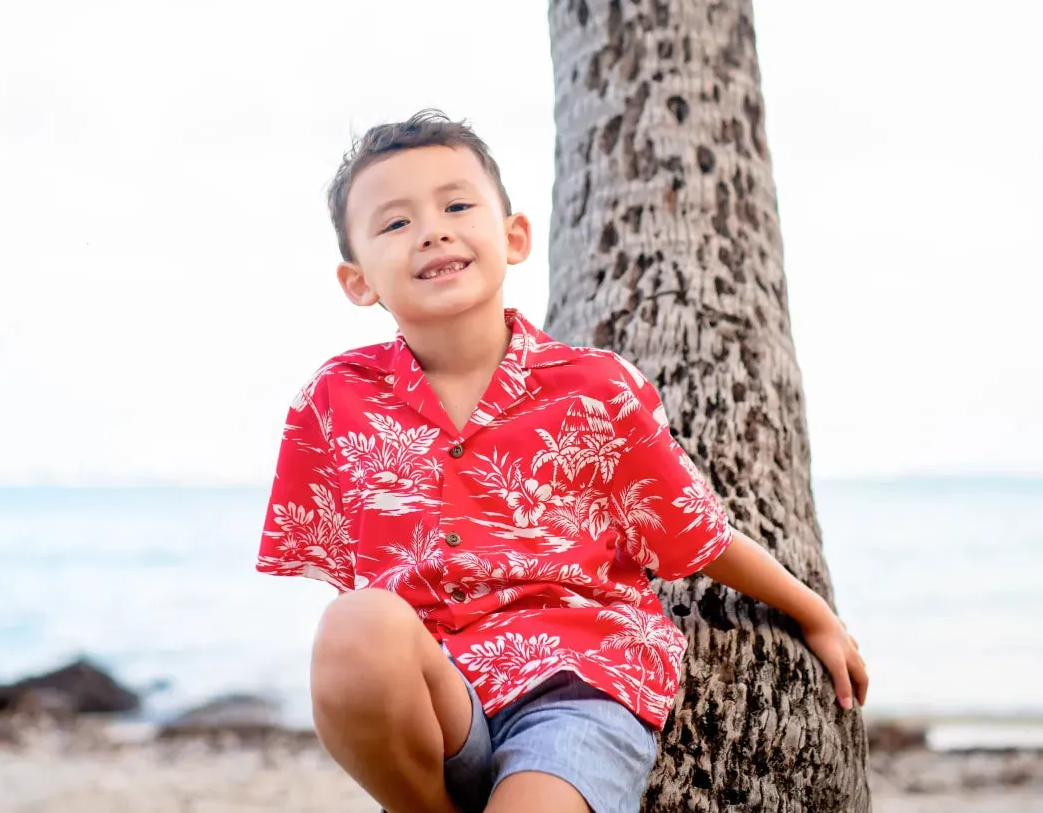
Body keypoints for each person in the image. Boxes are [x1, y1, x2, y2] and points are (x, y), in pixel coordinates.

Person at [256, 110, 867, 813]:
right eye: (394, 224)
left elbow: (694, 532)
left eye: (456, 205)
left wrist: (811, 609)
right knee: (355, 622)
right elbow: (354, 589)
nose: (432, 229)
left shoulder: (592, 389)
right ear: (358, 280)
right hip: (440, 703)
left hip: (574, 687)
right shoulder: (335, 399)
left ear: (513, 238)